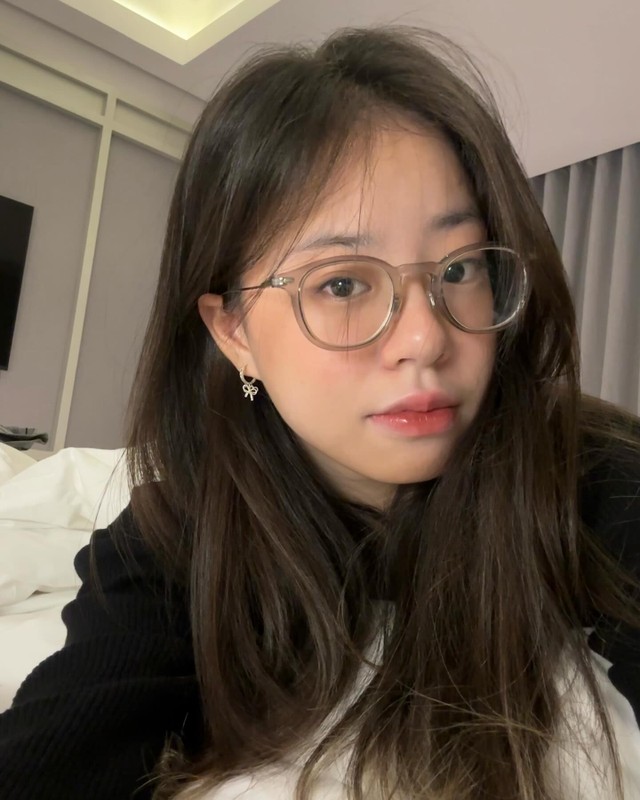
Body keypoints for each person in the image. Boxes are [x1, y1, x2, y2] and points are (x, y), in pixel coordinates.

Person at [1, 25, 639, 800]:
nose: (425, 338)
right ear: (235, 334)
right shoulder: (181, 539)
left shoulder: (591, 476)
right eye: (341, 283)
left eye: (460, 268)